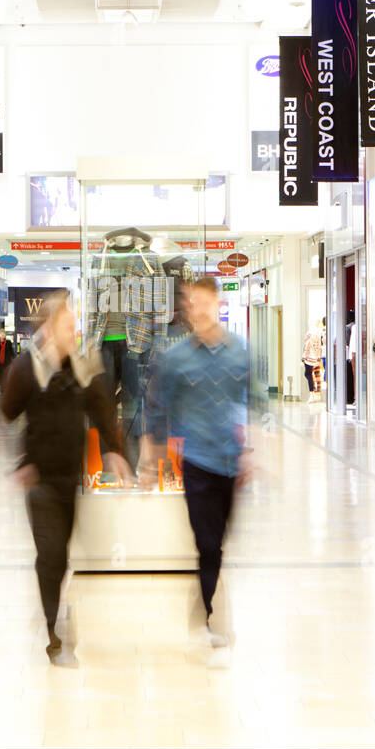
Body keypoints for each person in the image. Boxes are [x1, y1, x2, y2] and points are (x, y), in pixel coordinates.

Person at [0, 292, 131, 666]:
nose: (74, 333)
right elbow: (7, 412)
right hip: (40, 478)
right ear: (50, 328)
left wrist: (115, 451)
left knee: (62, 553)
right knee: (51, 554)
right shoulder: (28, 366)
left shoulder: (80, 365)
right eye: (68, 327)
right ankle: (54, 635)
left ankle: (55, 611)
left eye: (75, 327)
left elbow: (102, 408)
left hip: (70, 477)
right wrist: (21, 461)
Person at [142, 277, 251, 653]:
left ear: (218, 303)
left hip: (230, 463)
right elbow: (158, 408)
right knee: (207, 543)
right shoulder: (176, 358)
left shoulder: (238, 351)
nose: (196, 310)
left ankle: (203, 600)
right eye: (191, 303)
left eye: (203, 302)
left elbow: (251, 400)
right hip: (197, 464)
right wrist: (151, 459)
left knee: (218, 543)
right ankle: (205, 615)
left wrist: (253, 452)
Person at [302, 321, 325, 401]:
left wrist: (304, 357)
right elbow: (319, 346)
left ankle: (312, 392)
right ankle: (317, 392)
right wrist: (319, 357)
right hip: (316, 358)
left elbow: (307, 346)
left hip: (309, 358)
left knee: (308, 374)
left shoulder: (309, 334)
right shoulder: (318, 334)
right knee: (316, 374)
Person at [0, 328, 17, 394]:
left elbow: (11, 351)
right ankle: (2, 389)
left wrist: (15, 358)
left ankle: (6, 389)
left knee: (6, 375)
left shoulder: (8, 342)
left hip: (7, 362)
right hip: (0, 362)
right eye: (1, 334)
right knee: (0, 376)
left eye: (4, 334)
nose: (3, 335)